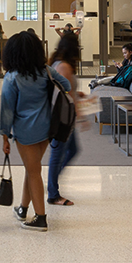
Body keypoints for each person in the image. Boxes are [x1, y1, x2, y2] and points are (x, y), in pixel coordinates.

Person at [0, 30, 69, 231]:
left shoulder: (12, 78)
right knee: (33, 168)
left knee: (33, 171)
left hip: (25, 131)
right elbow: (64, 85)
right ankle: (23, 208)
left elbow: (6, 111)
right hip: (47, 128)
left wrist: (5, 136)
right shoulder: (46, 71)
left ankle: (40, 218)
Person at [46, 30, 85, 207]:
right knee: (58, 153)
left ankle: (52, 184)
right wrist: (82, 117)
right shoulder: (64, 67)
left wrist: (79, 94)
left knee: (72, 150)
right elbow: (69, 96)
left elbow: (66, 90)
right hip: (63, 117)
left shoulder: (59, 63)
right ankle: (53, 193)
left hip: (63, 115)